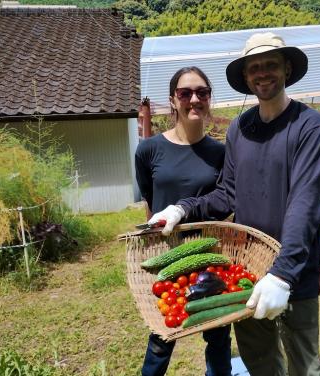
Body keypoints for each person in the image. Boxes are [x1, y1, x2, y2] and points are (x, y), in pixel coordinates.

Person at [148, 32, 320, 376]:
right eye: (254, 68)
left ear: (287, 69)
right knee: (259, 361)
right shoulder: (239, 129)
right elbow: (226, 194)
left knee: (304, 365)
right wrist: (182, 208)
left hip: (295, 272)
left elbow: (305, 202)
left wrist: (283, 274)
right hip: (248, 270)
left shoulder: (310, 126)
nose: (262, 73)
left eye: (270, 65)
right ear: (246, 77)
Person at [135, 66, 232, 376]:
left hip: (209, 254)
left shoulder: (221, 152)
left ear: (209, 99)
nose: (194, 99)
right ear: (173, 100)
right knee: (162, 335)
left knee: (218, 335)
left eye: (202, 92)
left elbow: (223, 202)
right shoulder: (149, 149)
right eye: (185, 93)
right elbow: (151, 202)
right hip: (167, 254)